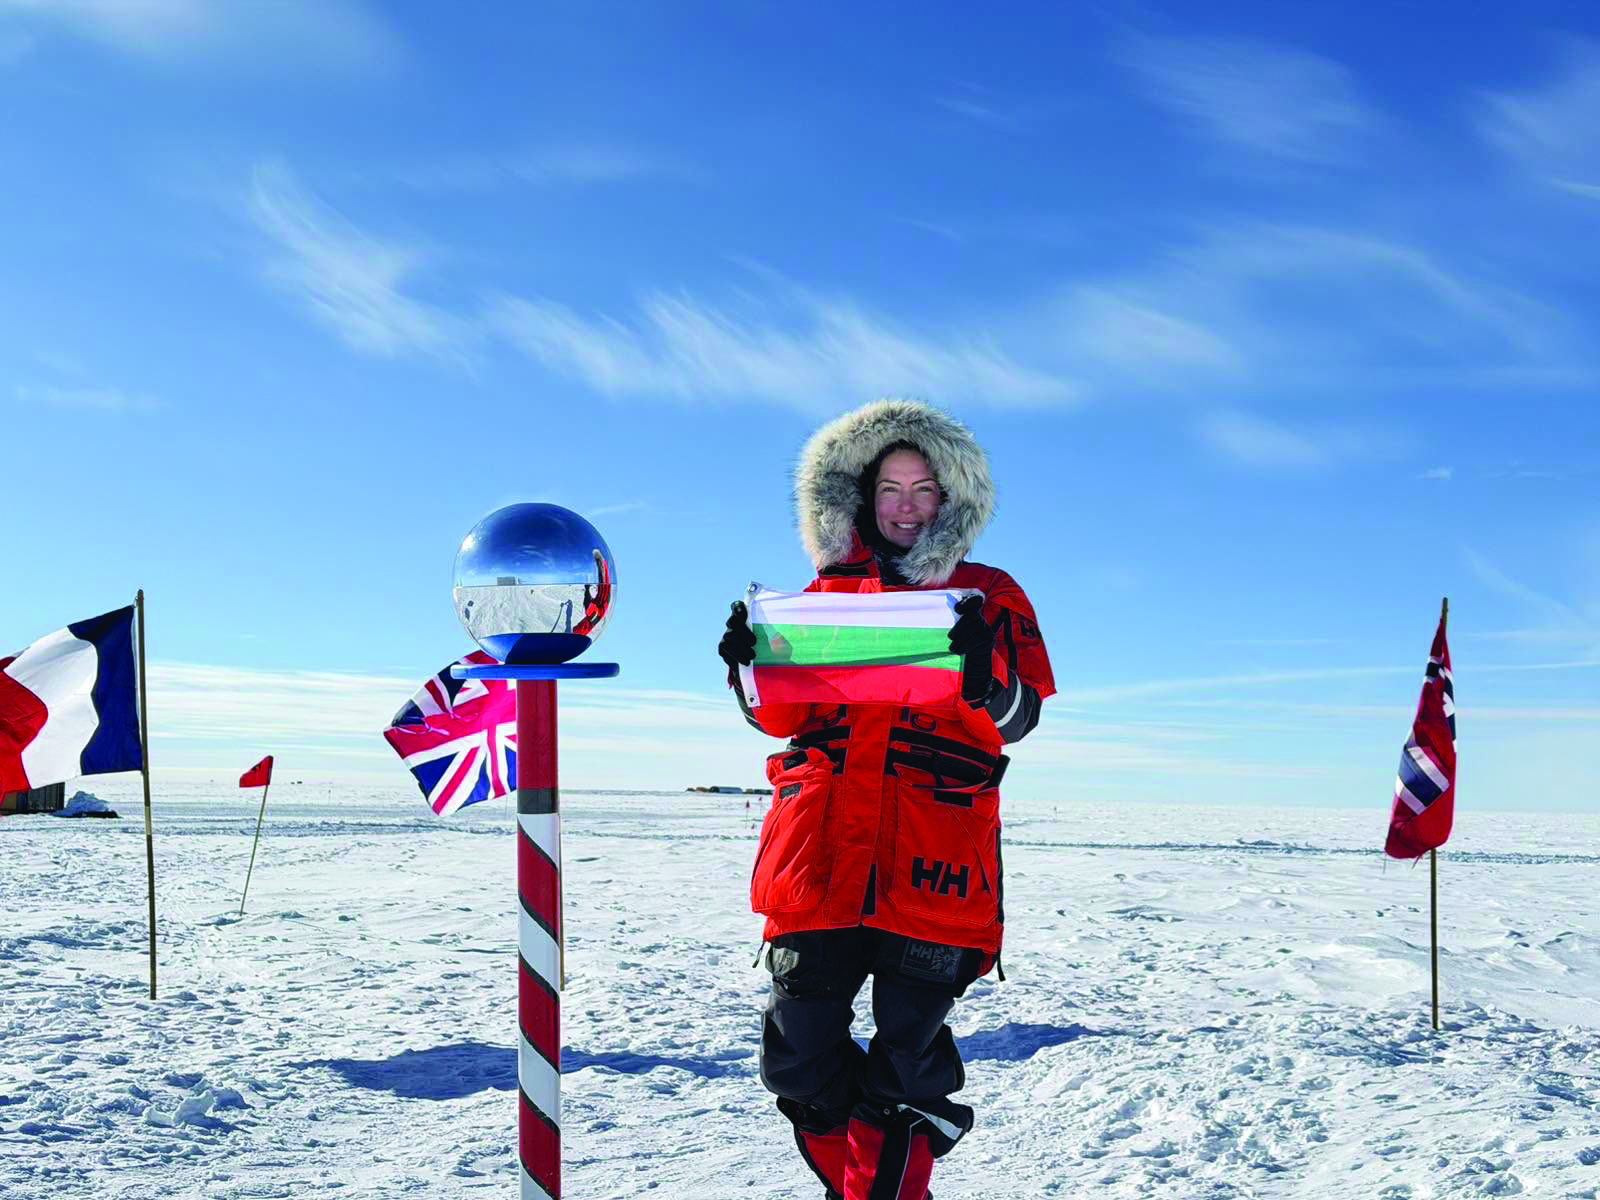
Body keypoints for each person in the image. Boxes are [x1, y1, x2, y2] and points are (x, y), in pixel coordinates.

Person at [718, 399, 1055, 1200]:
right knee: (798, 1064)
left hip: (933, 864)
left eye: (924, 489)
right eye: (890, 489)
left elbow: (1020, 718)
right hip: (819, 857)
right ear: (859, 499)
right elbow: (783, 718)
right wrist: (747, 667)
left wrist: (982, 670)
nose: (907, 507)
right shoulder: (822, 596)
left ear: (952, 499)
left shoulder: (989, 593)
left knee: (905, 1075)